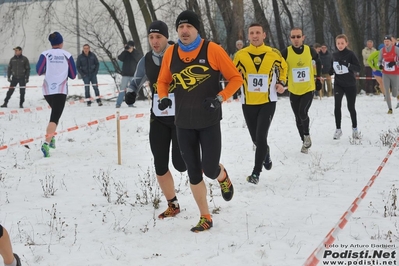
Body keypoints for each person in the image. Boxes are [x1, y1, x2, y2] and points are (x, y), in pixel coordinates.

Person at [157, 10, 243, 232]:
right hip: (183, 122)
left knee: (209, 169)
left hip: (209, 120)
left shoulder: (211, 50)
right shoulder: (171, 53)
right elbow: (162, 81)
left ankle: (222, 175)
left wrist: (220, 97)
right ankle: (205, 216)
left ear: (197, 30)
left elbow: (236, 78)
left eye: (189, 27)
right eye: (180, 27)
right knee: (194, 172)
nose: (184, 31)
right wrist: (164, 98)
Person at [125, 20, 186, 219]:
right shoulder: (146, 60)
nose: (154, 41)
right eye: (151, 37)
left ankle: (210, 164)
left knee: (181, 164)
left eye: (158, 37)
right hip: (158, 118)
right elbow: (136, 80)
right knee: (160, 163)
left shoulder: (180, 53)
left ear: (166, 37)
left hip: (182, 118)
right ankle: (173, 204)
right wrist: (131, 92)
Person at [233, 23, 287, 185]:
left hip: (268, 102)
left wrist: (281, 83)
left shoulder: (273, 53)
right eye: (252, 33)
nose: (255, 36)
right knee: (256, 139)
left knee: (261, 136)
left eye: (258, 32)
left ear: (264, 35)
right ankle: (266, 152)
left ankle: (256, 173)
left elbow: (284, 68)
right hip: (248, 102)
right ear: (247, 36)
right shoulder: (240, 55)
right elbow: (232, 73)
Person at [281, 27, 322, 154]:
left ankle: (307, 134)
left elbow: (318, 61)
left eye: (298, 36)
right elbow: (278, 65)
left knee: (303, 112)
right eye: (293, 37)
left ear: (303, 38)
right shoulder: (286, 52)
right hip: (293, 90)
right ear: (290, 39)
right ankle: (304, 141)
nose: (296, 39)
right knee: (297, 118)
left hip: (308, 88)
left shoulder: (309, 50)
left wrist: (318, 78)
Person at [36, 32, 77, 157]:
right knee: (54, 118)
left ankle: (51, 136)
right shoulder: (67, 55)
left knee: (55, 115)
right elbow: (73, 75)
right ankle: (46, 143)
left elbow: (39, 71)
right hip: (60, 90)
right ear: (61, 42)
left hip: (47, 90)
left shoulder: (45, 54)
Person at [329, 34, 361, 140]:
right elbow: (332, 67)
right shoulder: (334, 55)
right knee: (337, 106)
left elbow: (358, 68)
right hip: (338, 84)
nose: (340, 45)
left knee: (351, 107)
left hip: (350, 84)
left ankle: (355, 129)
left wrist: (347, 65)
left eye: (342, 43)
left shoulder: (350, 54)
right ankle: (338, 129)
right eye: (338, 43)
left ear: (346, 43)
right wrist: (330, 71)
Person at [115, 40, 141, 108]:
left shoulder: (135, 52)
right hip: (125, 74)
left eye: (130, 46)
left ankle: (130, 103)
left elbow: (139, 59)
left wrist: (132, 52)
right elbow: (120, 58)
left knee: (132, 90)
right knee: (122, 89)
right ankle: (118, 103)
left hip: (133, 74)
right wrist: (125, 51)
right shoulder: (125, 52)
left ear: (133, 46)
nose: (129, 47)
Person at [378, 35, 399, 114]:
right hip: (385, 73)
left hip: (395, 73)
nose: (386, 43)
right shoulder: (382, 50)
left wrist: (395, 63)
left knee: (395, 91)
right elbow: (379, 60)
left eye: (388, 41)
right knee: (386, 90)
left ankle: (396, 95)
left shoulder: (396, 49)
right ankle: (390, 108)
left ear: (391, 42)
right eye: (385, 42)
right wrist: (380, 65)